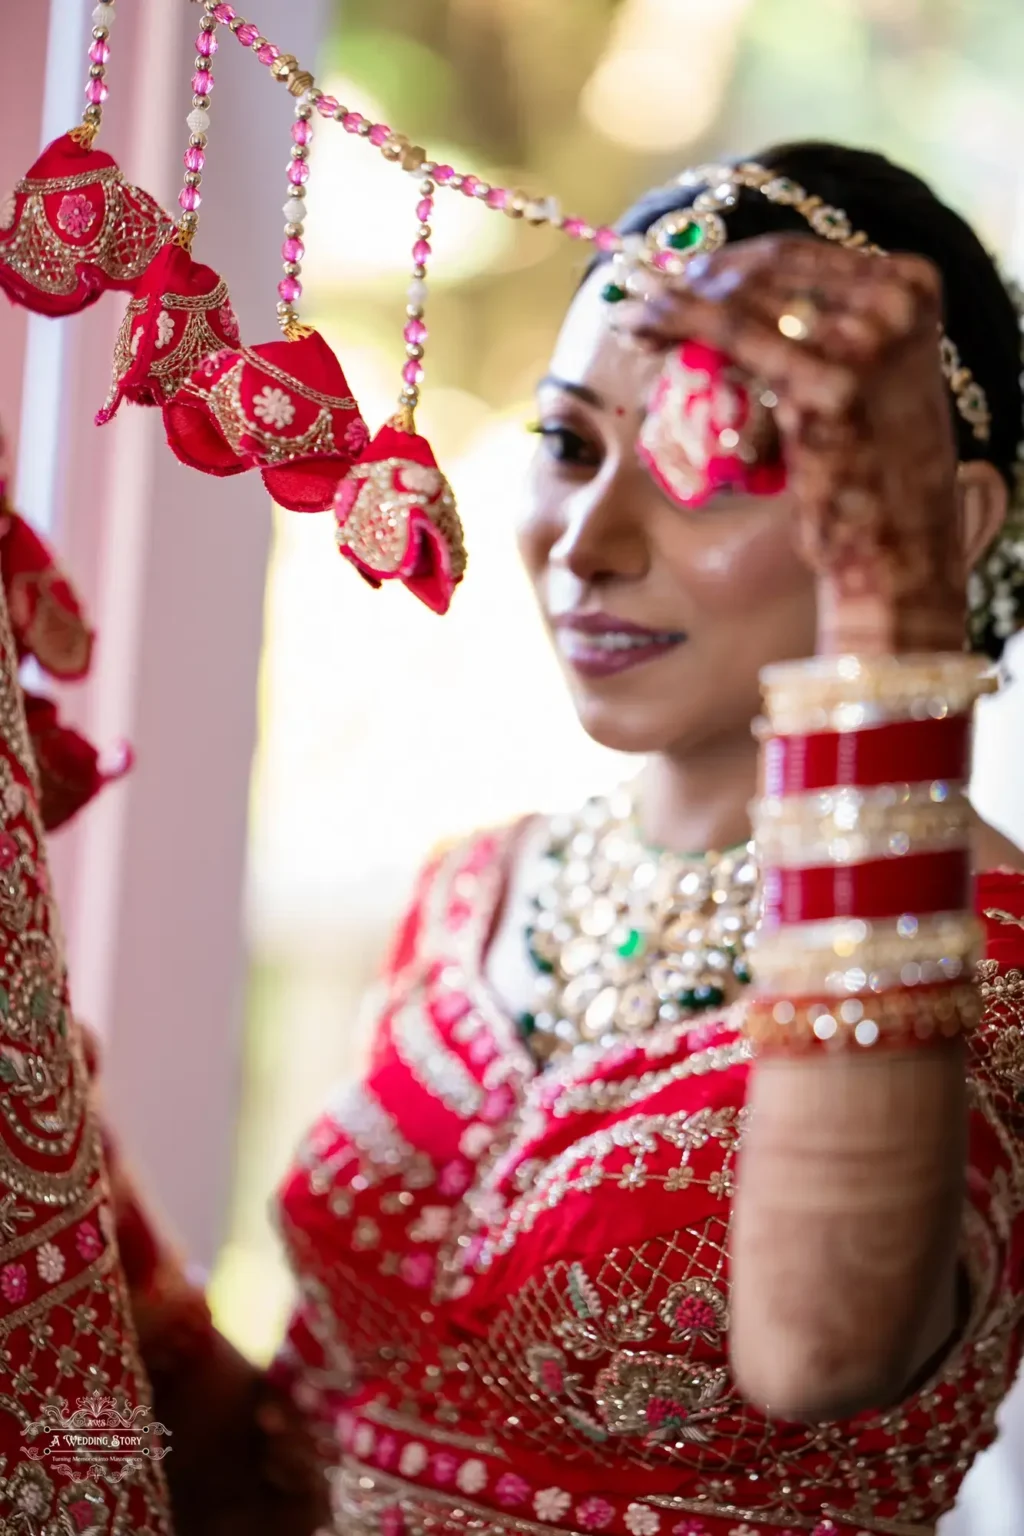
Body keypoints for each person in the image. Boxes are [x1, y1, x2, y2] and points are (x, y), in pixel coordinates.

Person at [110, 141, 1024, 1536]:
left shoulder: (995, 963)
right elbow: (297, 1462)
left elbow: (820, 1347)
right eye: (570, 443)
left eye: (707, 461)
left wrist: (888, 631)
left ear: (941, 526)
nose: (591, 539)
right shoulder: (477, 890)